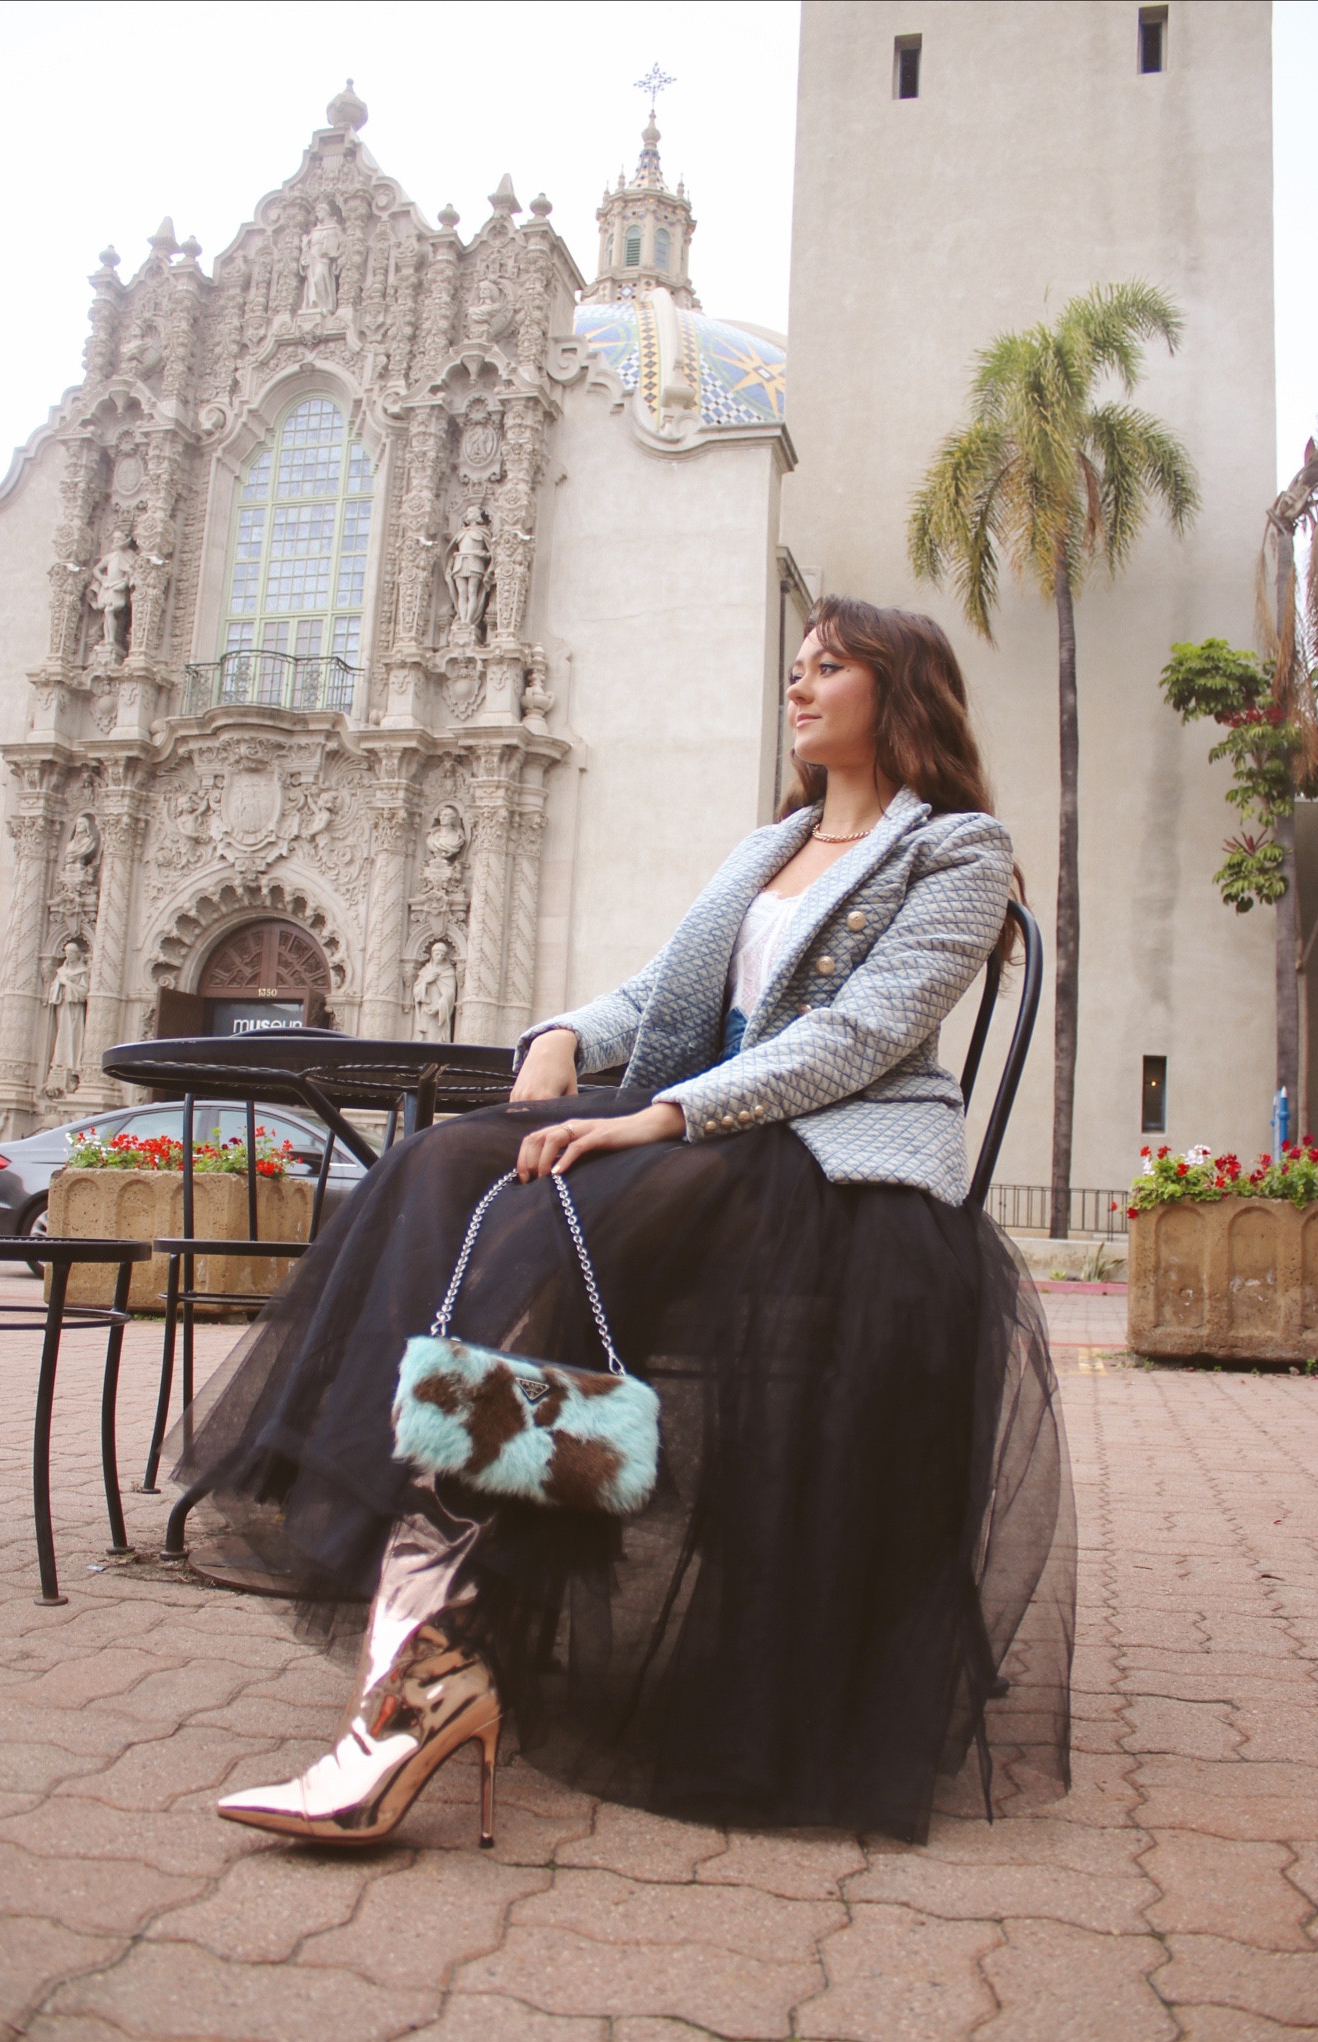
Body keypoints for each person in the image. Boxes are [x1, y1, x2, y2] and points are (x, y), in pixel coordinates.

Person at [186, 597, 1074, 1851]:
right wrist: (562, 1035)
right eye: (797, 665)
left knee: (560, 1210)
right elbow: (664, 989)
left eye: (831, 667)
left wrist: (654, 1115)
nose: (801, 684)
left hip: (823, 1160)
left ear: (902, 690)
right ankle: (418, 1576)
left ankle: (416, 1682)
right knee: (443, 1164)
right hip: (690, 1132)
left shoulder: (957, 849)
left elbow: (859, 1036)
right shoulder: (763, 846)